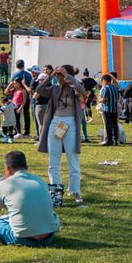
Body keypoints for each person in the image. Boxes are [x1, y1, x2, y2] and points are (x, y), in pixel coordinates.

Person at [0, 150, 59, 246]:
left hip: (23, 239)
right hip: (48, 237)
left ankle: (2, 237)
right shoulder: (40, 181)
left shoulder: (3, 185)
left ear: (7, 168)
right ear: (26, 166)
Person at [36, 67, 85, 205]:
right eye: (58, 75)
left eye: (61, 75)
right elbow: (39, 89)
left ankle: (75, 191)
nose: (59, 78)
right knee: (54, 160)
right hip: (56, 123)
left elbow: (82, 91)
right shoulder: (54, 89)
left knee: (73, 159)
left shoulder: (73, 87)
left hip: (70, 123)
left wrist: (69, 77)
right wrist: (50, 77)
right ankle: (55, 191)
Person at [98, 73, 122, 145]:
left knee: (108, 125)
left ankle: (109, 140)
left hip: (107, 109)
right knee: (115, 124)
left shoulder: (105, 88)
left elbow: (103, 99)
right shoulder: (115, 87)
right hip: (114, 109)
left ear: (104, 81)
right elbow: (118, 97)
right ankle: (116, 140)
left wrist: (99, 99)